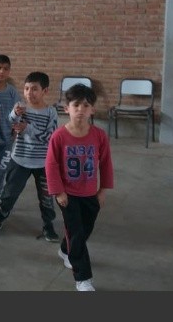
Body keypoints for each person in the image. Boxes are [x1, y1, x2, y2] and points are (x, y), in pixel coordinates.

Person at [45, 83, 114, 291]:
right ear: (67, 108)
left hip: (90, 193)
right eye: (76, 105)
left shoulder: (99, 135)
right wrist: (59, 191)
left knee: (84, 230)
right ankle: (83, 278)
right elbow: (51, 165)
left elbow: (105, 163)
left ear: (93, 109)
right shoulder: (59, 136)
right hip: (68, 195)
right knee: (76, 234)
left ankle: (66, 250)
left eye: (86, 106)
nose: (81, 110)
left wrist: (103, 190)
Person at [0, 71, 60, 242]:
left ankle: (48, 225)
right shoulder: (21, 107)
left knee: (46, 197)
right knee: (10, 192)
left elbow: (50, 137)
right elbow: (11, 122)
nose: (29, 93)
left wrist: (28, 128)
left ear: (45, 91)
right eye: (26, 88)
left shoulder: (51, 112)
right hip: (19, 160)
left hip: (43, 163)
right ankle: (2, 214)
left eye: (34, 89)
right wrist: (14, 113)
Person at [0, 54, 21, 210]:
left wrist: (15, 130)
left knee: (2, 170)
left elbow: (17, 113)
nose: (1, 71)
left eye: (5, 69)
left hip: (8, 139)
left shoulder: (12, 92)